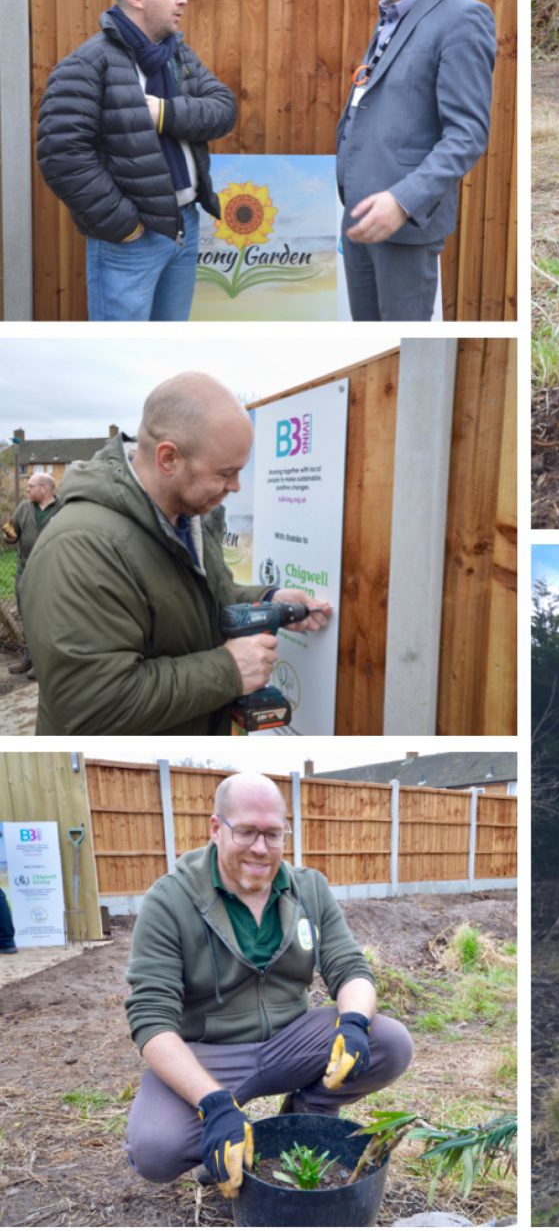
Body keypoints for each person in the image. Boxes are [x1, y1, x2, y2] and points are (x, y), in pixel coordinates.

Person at [124, 771, 414, 1190]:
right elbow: (151, 1021)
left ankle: (300, 1116)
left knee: (390, 1041)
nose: (260, 848)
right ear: (216, 828)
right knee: (155, 1148)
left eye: (273, 834)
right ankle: (228, 1137)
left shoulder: (309, 889)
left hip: (291, 1041)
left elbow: (351, 968)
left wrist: (353, 1024)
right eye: (246, 832)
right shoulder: (170, 900)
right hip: (210, 1052)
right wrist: (214, 1104)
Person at [19, 375, 332, 737]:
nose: (235, 487)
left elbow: (195, 602)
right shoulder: (79, 547)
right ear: (168, 458)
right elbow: (92, 705)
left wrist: (268, 601)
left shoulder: (189, 518)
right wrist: (228, 670)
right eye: (225, 473)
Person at [36, 0, 238, 322]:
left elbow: (223, 109)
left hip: (185, 226)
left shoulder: (178, 56)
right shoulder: (88, 64)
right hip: (131, 238)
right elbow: (61, 153)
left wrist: (167, 113)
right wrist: (124, 225)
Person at [339, 0, 497, 321]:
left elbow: (467, 135)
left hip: (403, 226)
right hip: (360, 217)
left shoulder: (463, 19)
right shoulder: (391, 15)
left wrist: (402, 202)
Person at [3, 470, 59, 678]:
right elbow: (13, 536)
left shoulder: (62, 509)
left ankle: (45, 662)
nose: (27, 489)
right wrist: (8, 534)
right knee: (26, 613)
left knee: (48, 614)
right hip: (25, 569)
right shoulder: (24, 508)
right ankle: (28, 658)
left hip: (52, 569)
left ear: (44, 488)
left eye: (30, 486)